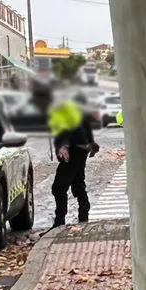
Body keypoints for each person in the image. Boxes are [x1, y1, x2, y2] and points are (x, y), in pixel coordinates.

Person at [48, 90, 98, 227]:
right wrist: (90, 142)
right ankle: (83, 218)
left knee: (58, 188)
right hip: (80, 148)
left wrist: (64, 145)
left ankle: (59, 223)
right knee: (78, 184)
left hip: (72, 150)